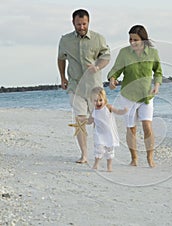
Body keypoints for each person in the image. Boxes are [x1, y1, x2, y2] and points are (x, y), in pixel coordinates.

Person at [57, 9, 110, 164]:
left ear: (89, 22)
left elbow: (106, 56)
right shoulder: (65, 40)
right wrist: (62, 77)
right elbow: (61, 59)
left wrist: (97, 67)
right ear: (73, 22)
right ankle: (84, 155)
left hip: (95, 87)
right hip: (75, 85)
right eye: (79, 24)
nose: (82, 27)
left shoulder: (98, 39)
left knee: (99, 121)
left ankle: (100, 152)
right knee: (80, 120)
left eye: (84, 24)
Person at [107, 25, 163, 168]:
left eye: (135, 40)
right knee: (131, 128)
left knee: (147, 126)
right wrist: (112, 80)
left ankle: (150, 159)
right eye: (130, 39)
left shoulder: (153, 53)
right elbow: (115, 70)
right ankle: (134, 159)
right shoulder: (124, 53)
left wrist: (157, 85)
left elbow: (158, 72)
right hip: (128, 96)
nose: (132, 42)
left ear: (143, 40)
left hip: (146, 96)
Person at [87, 87, 128, 171]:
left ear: (104, 99)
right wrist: (82, 120)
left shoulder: (108, 107)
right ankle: (96, 164)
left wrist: (124, 111)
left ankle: (109, 166)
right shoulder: (93, 111)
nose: (98, 102)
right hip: (99, 133)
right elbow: (90, 121)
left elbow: (118, 111)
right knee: (99, 149)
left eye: (100, 100)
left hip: (109, 133)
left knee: (110, 150)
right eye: (95, 100)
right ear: (91, 101)